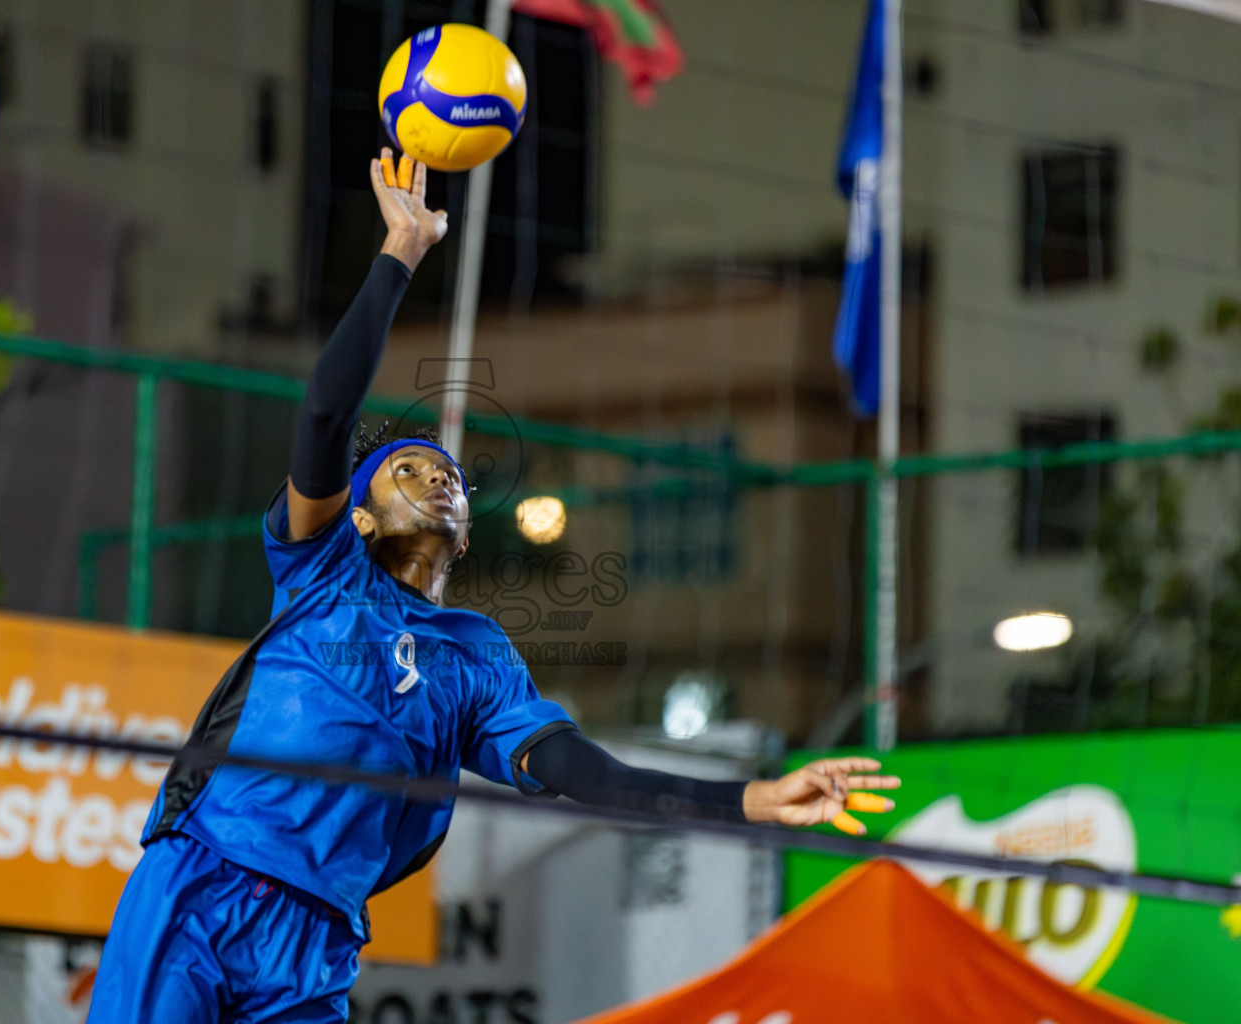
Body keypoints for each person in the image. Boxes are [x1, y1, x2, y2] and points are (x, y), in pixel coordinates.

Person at [87, 149, 901, 1024]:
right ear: (358, 516)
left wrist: (748, 798)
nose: (442, 479)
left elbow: (583, 771)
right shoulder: (322, 567)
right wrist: (401, 249)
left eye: (454, 480)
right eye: (410, 467)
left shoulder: (476, 661)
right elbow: (324, 413)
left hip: (316, 944)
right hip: (207, 881)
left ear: (467, 532)